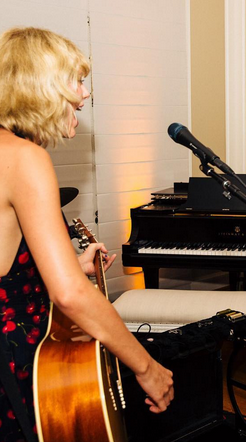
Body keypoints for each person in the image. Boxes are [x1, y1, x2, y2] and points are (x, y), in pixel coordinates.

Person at [0, 27, 174, 441]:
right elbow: (70, 295)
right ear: (43, 85)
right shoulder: (25, 158)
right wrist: (147, 367)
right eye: (77, 81)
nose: (84, 94)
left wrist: (59, 267)